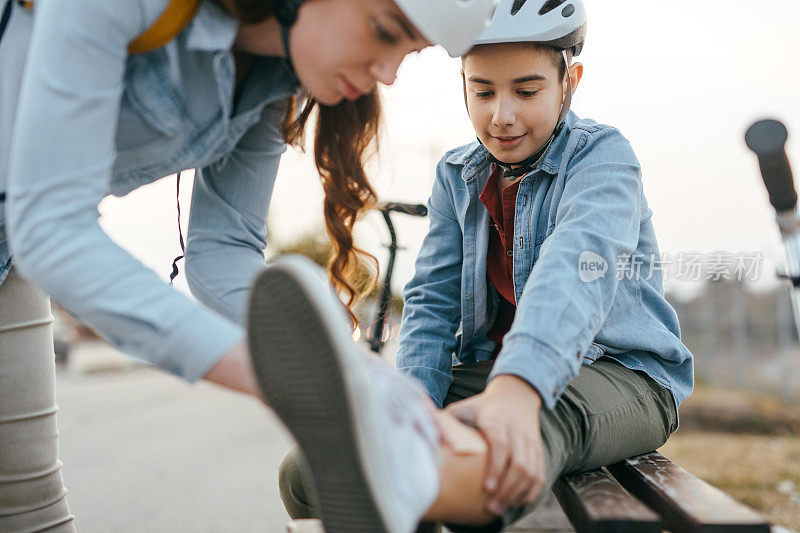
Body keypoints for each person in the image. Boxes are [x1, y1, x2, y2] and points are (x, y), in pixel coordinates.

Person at [0, 0, 498, 530]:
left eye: (410, 51)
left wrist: (359, 374)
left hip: (13, 249)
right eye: (383, 31)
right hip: (33, 233)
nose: (389, 73)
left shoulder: (277, 79)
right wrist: (279, 374)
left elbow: (224, 251)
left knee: (32, 509)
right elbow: (53, 228)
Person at [274, 0, 694, 531]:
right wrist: (417, 405)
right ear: (463, 84)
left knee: (504, 452)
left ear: (571, 81)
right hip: (495, 376)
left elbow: (574, 270)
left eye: (526, 90)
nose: (502, 116)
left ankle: (418, 490)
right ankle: (408, 485)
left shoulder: (603, 158)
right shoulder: (457, 174)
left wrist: (518, 390)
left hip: (620, 374)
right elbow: (432, 300)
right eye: (482, 91)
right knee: (305, 473)